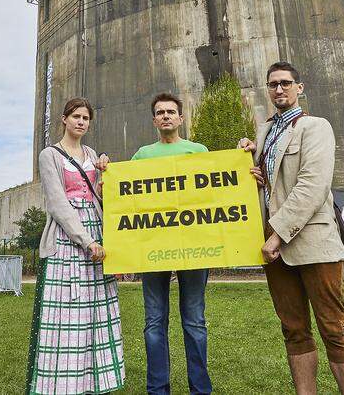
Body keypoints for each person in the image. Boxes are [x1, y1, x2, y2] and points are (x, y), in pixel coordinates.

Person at [239, 61, 344, 395]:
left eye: (285, 83)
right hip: (275, 246)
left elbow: (312, 185)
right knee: (293, 330)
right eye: (273, 84)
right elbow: (270, 187)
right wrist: (246, 169)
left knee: (334, 329)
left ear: (299, 87)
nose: (278, 89)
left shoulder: (315, 127)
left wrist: (276, 234)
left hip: (311, 241)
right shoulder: (264, 133)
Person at [25, 97, 124, 394]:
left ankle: (94, 380)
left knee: (96, 309)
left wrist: (106, 177)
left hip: (95, 227)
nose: (81, 122)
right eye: (76, 116)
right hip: (67, 237)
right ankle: (60, 382)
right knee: (68, 308)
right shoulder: (49, 155)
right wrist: (87, 240)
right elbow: (57, 203)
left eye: (86, 118)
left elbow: (98, 197)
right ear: (64, 119)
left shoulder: (92, 154)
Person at [127, 93, 212, 395]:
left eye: (171, 112)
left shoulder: (199, 151)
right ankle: (158, 389)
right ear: (154, 120)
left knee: (194, 321)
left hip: (194, 247)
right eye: (160, 112)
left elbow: (215, 192)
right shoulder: (142, 155)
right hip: (154, 248)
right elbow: (129, 198)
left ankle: (200, 389)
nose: (166, 116)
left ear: (180, 118)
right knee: (154, 321)